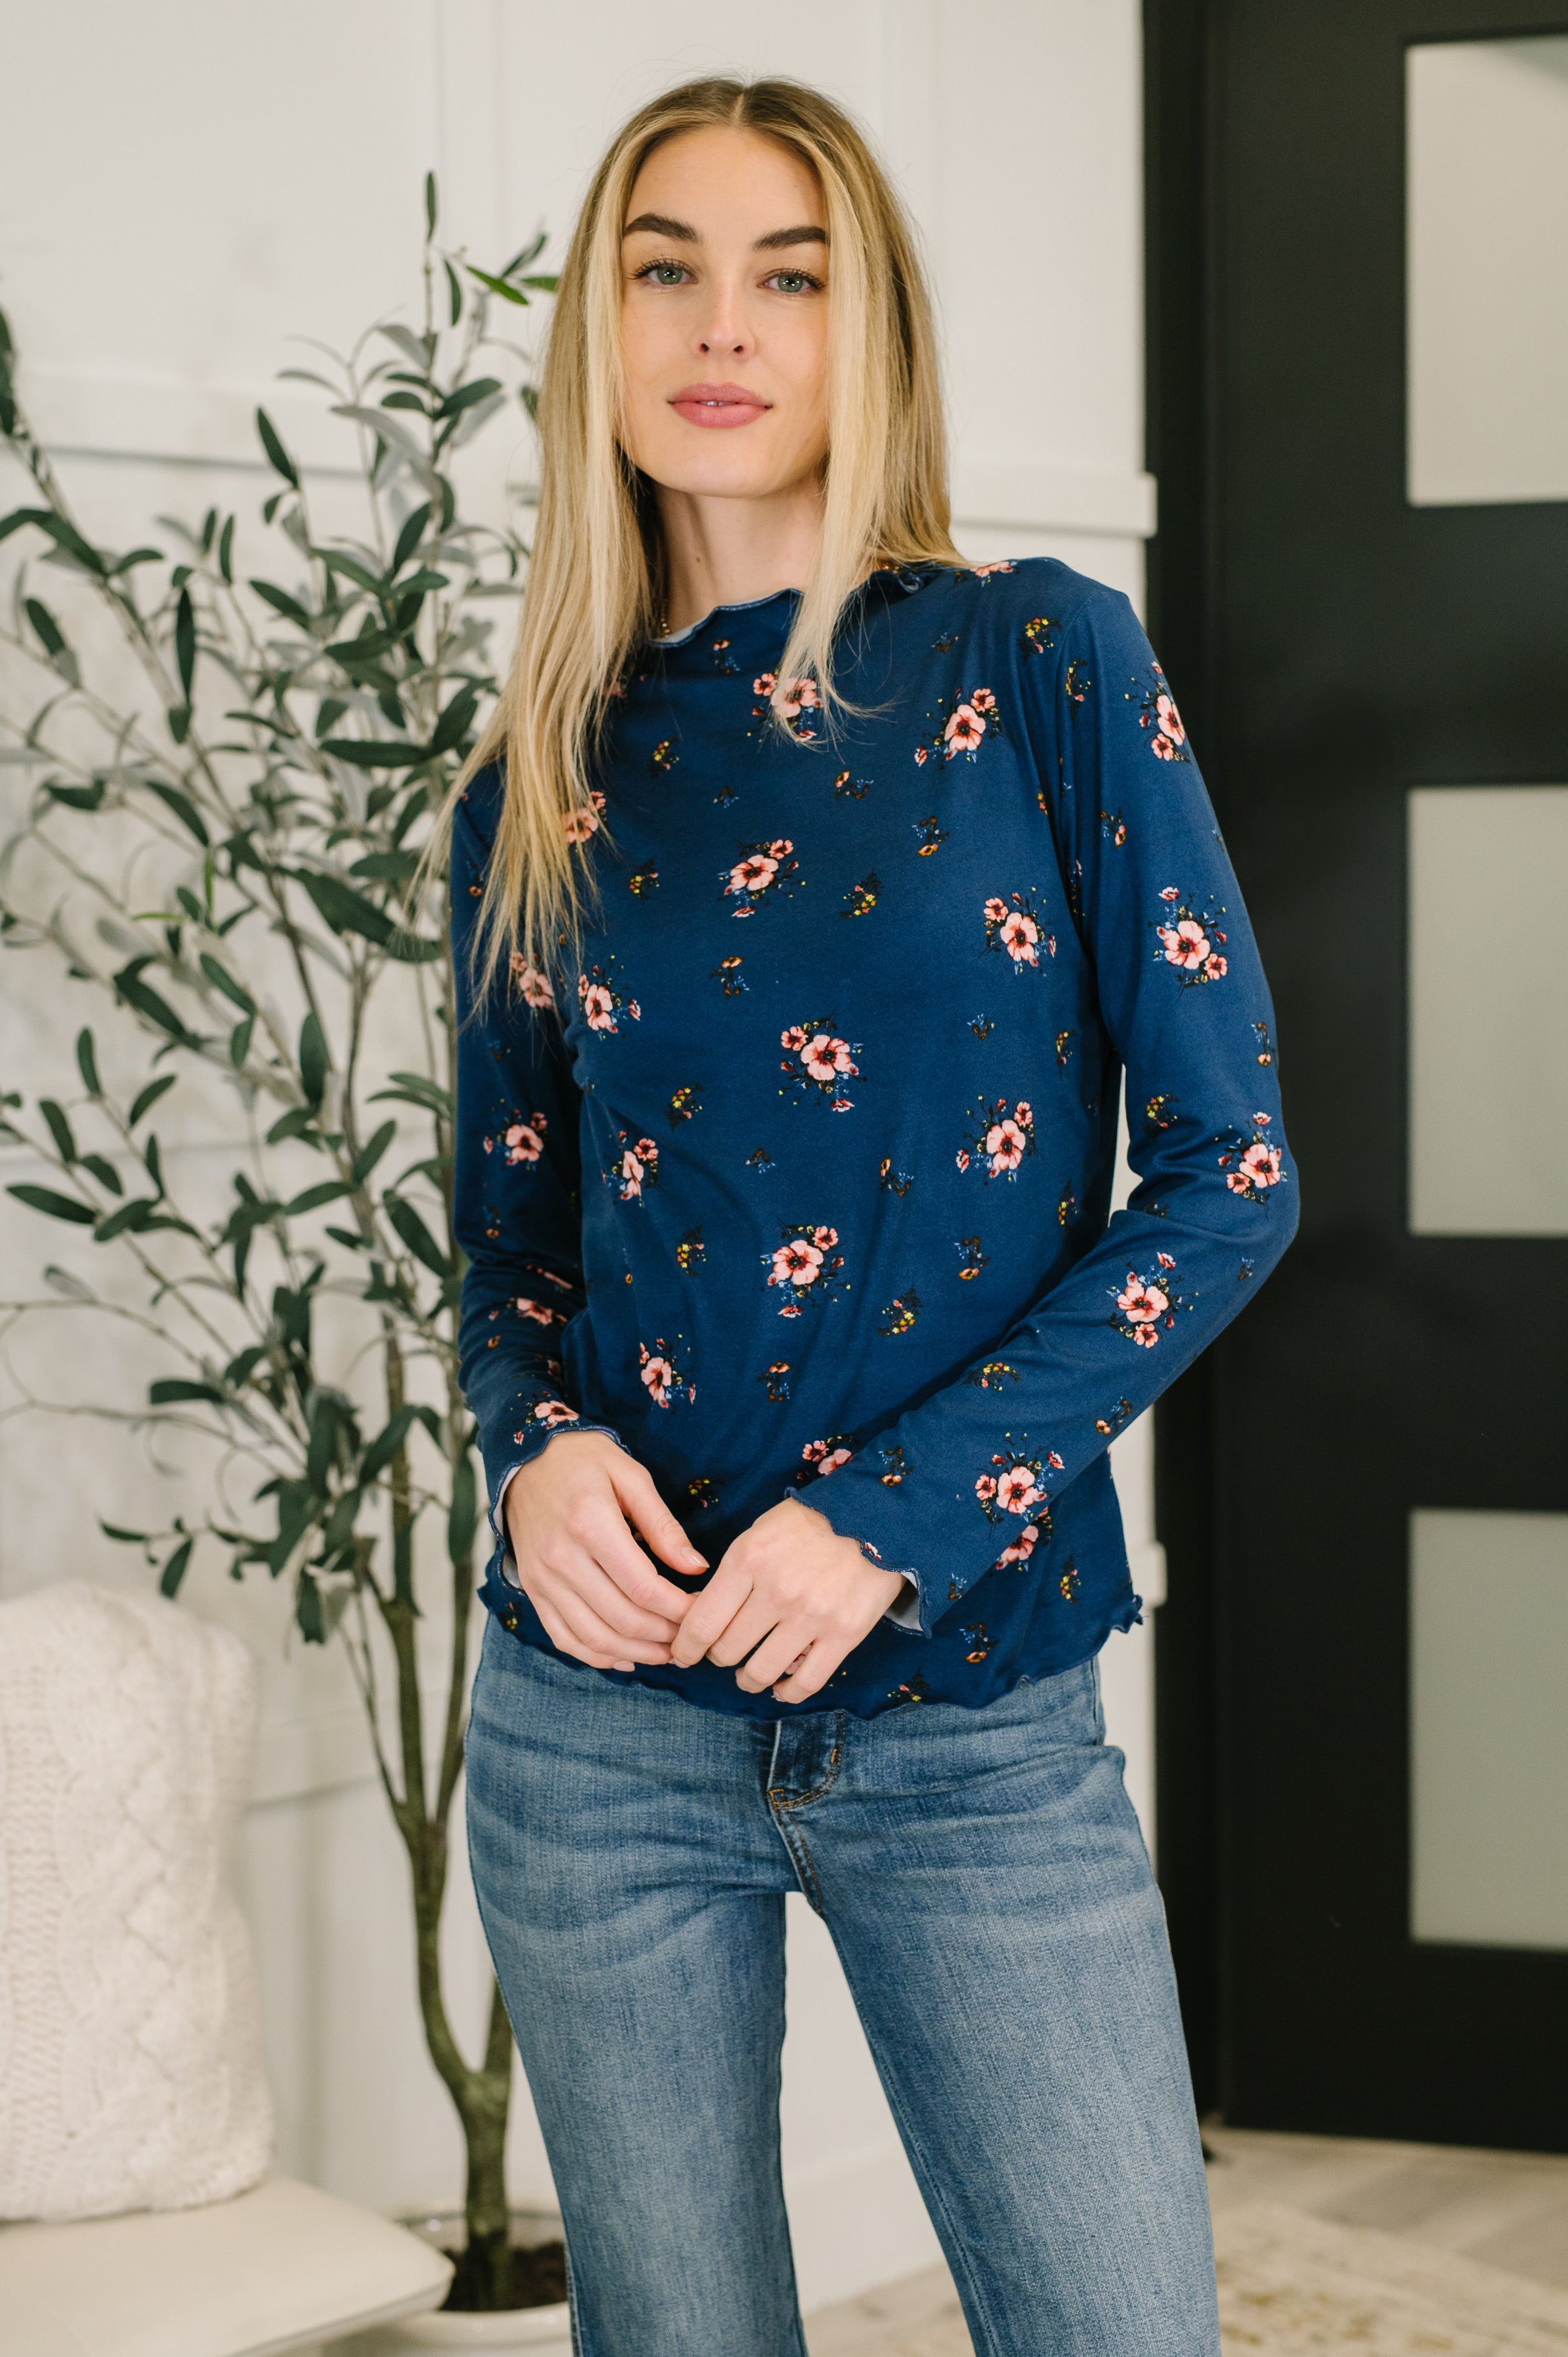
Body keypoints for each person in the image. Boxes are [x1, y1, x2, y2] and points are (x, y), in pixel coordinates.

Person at [450, 74, 1295, 2357]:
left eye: (788, 273)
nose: (723, 326)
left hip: (968, 1719)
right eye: (667, 266)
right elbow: (504, 1249)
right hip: (598, 1738)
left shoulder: (1038, 659)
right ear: (598, 331)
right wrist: (529, 1453)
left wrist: (897, 1515)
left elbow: (1228, 1181)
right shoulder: (544, 761)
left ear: (870, 329)